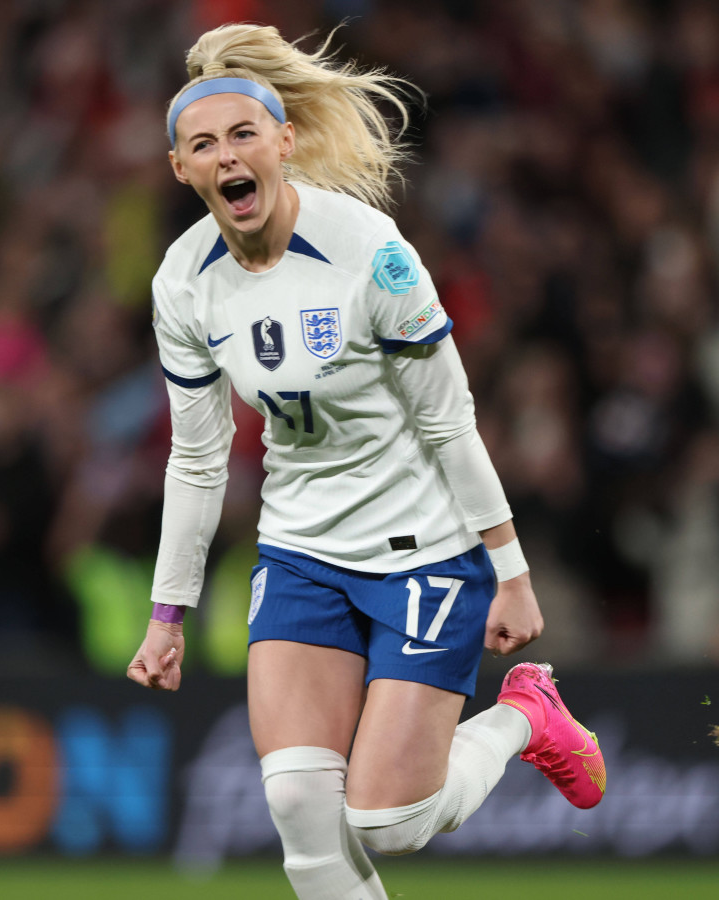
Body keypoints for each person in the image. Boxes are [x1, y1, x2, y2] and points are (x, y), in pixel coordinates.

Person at [126, 23, 606, 900]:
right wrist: (168, 614)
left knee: (388, 821)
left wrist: (511, 570)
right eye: (204, 145)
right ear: (181, 170)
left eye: (243, 135)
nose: (227, 156)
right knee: (301, 811)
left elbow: (449, 419)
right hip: (302, 551)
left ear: (285, 143)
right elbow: (197, 459)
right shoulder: (182, 281)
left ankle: (524, 719)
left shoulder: (368, 250)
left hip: (421, 549)